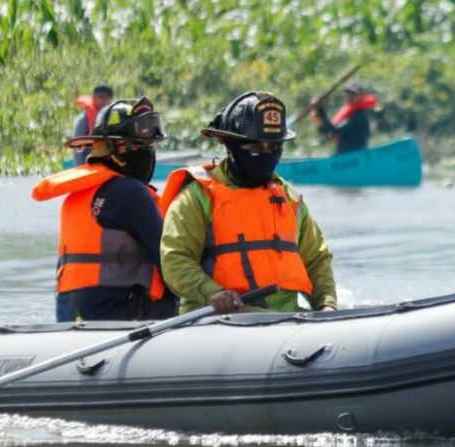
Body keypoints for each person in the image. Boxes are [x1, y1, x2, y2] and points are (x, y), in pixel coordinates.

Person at [159, 91, 338, 314]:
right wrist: (212, 292)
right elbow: (175, 258)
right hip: (218, 320)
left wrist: (327, 304)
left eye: (274, 147)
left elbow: (317, 259)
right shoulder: (197, 199)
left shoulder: (290, 199)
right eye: (255, 148)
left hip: (286, 323)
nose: (266, 154)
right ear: (230, 146)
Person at [33, 97, 178, 321]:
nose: (144, 153)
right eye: (134, 146)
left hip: (75, 317)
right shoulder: (132, 193)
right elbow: (170, 261)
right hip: (121, 317)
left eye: (148, 147)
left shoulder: (77, 194)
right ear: (109, 148)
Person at [311, 82, 376, 154]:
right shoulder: (349, 113)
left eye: (353, 94)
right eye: (348, 94)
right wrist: (319, 122)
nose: (350, 97)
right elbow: (331, 135)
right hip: (345, 156)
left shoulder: (360, 116)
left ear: (362, 96)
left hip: (355, 157)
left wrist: (321, 111)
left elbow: (337, 131)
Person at [71, 83, 115, 166]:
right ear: (94, 99)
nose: (103, 100)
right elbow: (78, 150)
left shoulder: (117, 115)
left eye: (107, 97)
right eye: (100, 97)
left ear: (112, 99)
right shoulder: (83, 120)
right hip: (90, 164)